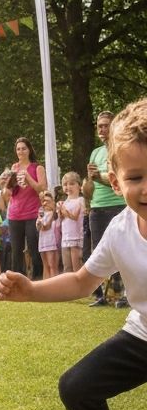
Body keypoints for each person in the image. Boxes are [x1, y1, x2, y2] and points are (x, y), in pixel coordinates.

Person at [0, 98, 147, 410]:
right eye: (135, 178)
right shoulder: (120, 229)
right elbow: (82, 280)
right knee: (76, 387)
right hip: (142, 334)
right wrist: (31, 290)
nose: (146, 188)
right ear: (115, 182)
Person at [83, 111, 128, 308]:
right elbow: (90, 186)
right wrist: (86, 189)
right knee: (98, 252)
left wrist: (99, 177)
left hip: (117, 205)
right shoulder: (96, 152)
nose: (102, 129)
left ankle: (122, 294)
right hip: (97, 207)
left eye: (106, 125)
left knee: (122, 251)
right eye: (99, 126)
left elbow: (121, 183)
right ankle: (104, 295)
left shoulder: (121, 149)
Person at [6, 137, 46, 279]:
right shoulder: (13, 168)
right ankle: (17, 282)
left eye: (24, 148)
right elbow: (9, 193)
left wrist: (28, 177)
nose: (21, 151)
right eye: (18, 149)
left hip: (32, 214)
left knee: (34, 250)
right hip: (14, 215)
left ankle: (37, 281)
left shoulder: (37, 168)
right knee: (16, 252)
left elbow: (42, 189)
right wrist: (7, 182)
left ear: (29, 150)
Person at [57, 170, 86, 274]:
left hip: (76, 238)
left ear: (79, 186)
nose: (68, 187)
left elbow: (75, 217)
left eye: (71, 184)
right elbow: (60, 221)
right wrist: (60, 212)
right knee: (67, 268)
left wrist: (64, 211)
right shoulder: (64, 202)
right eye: (65, 184)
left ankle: (80, 290)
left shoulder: (81, 200)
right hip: (65, 238)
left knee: (77, 269)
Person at [37, 191, 61, 279]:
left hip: (52, 243)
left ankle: (55, 287)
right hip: (42, 242)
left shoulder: (55, 215)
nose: (45, 203)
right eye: (44, 201)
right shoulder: (41, 214)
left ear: (53, 203)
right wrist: (39, 222)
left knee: (52, 265)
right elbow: (39, 228)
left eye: (48, 201)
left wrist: (53, 210)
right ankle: (45, 287)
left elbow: (47, 226)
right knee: (45, 265)